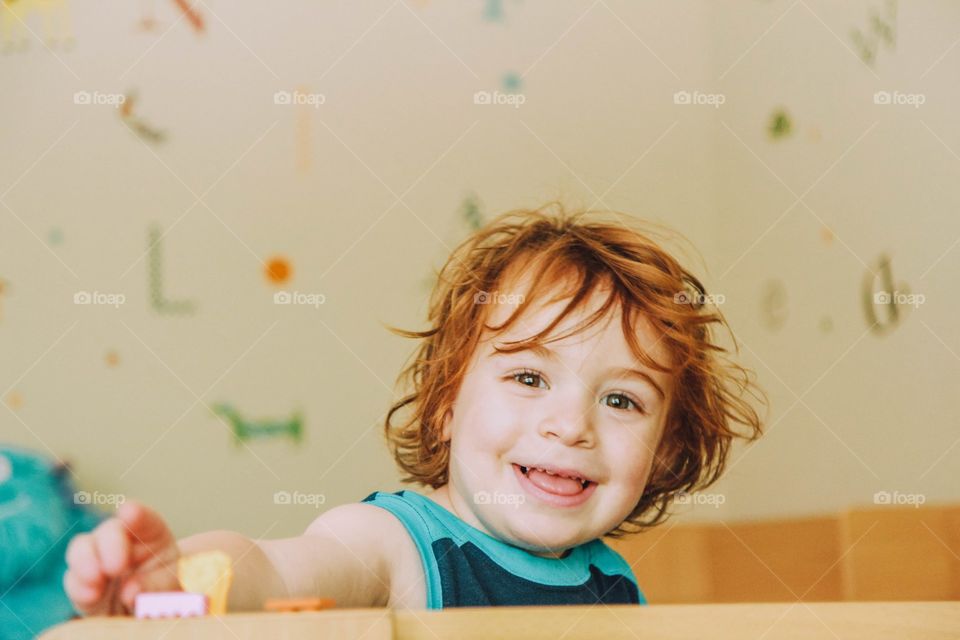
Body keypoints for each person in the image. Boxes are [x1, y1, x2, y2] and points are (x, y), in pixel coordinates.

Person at [63, 203, 764, 613]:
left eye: (620, 399)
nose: (570, 425)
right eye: (528, 378)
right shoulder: (398, 548)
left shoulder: (613, 587)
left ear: (667, 450)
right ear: (445, 409)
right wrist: (177, 579)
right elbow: (276, 570)